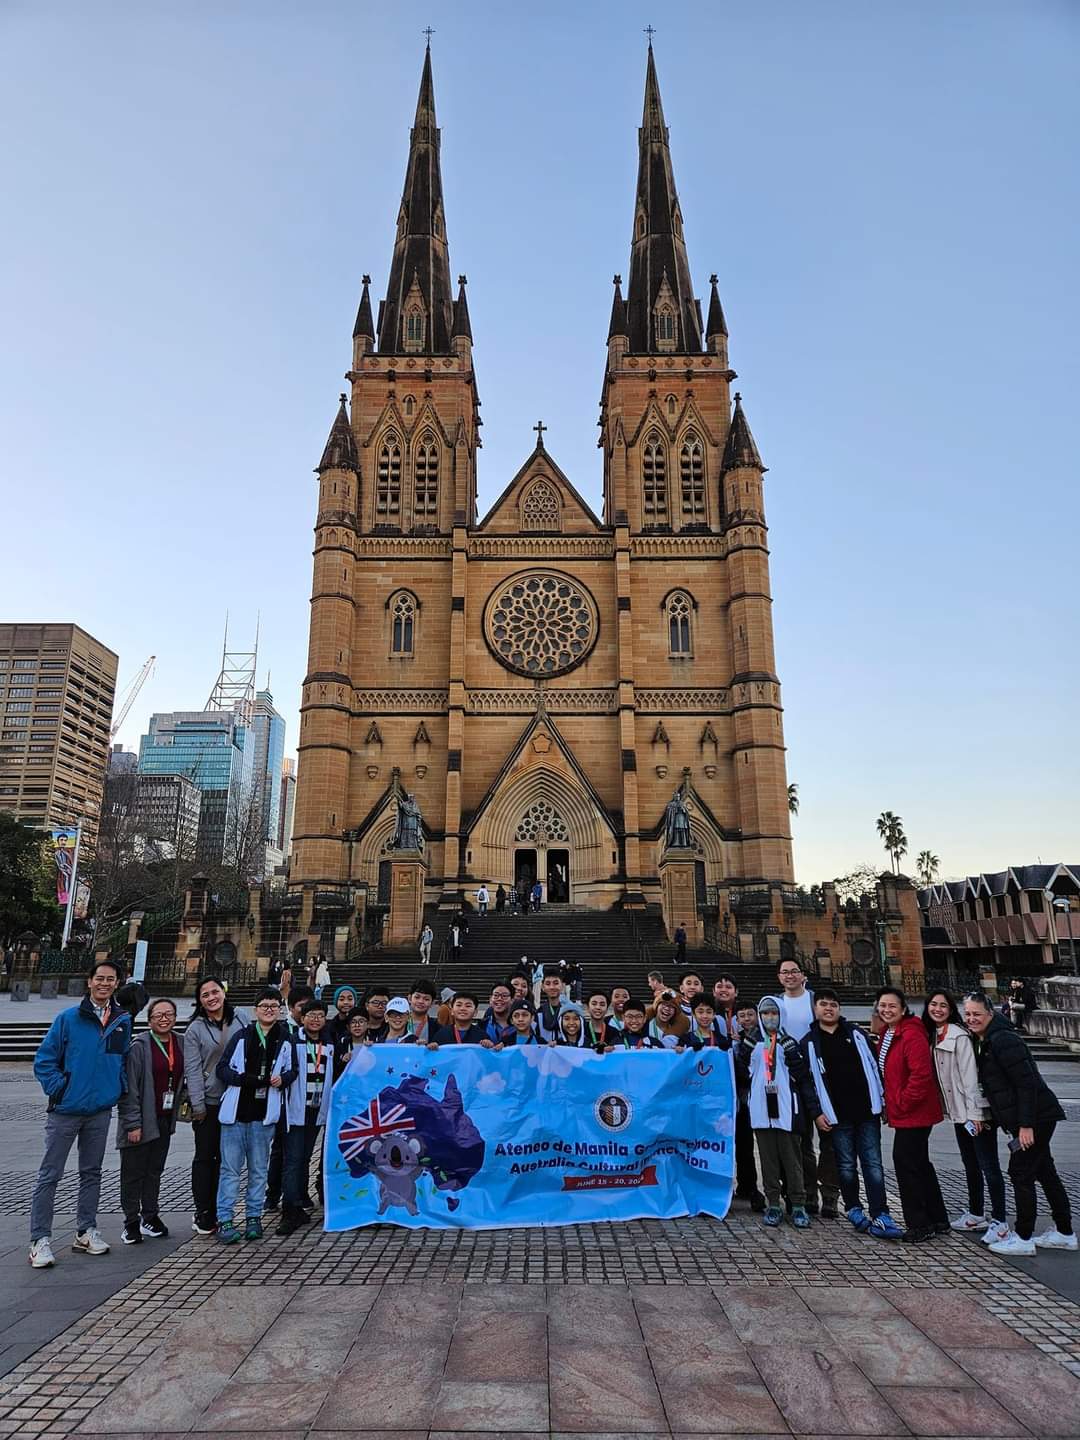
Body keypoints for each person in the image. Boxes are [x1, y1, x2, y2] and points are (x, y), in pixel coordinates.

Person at [29, 958, 132, 1268]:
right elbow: (44, 1061)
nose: (104, 983)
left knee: (92, 1173)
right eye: (99, 978)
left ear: (117, 984)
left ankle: (86, 1231)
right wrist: (60, 1089)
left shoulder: (122, 1021)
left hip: (100, 1110)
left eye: (110, 979)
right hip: (66, 1110)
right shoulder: (68, 1018)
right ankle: (39, 1239)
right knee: (50, 1174)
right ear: (90, 982)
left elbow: (122, 1059)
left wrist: (116, 1090)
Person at [963, 991, 1076, 1255]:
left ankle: (1024, 1237)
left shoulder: (1002, 1039)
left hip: (1036, 1117)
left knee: (1020, 1172)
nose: (971, 1018)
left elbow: (1026, 1083)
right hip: (1032, 1117)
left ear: (990, 1013)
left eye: (977, 1014)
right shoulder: (987, 1039)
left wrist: (1026, 1125)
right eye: (967, 1014)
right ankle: (1065, 1231)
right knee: (1045, 1171)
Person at [800, 989, 902, 1240]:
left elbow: (875, 1067)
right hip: (837, 1114)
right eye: (823, 1004)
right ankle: (854, 1208)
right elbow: (808, 1083)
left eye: (833, 1005)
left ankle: (880, 1212)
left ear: (839, 1009)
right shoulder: (809, 1042)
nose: (828, 1009)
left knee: (873, 1165)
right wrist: (816, 1113)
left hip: (866, 1110)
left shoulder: (856, 1034)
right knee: (845, 1166)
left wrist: (883, 1100)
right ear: (815, 1009)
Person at [922, 990, 1009, 1244]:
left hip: (974, 1114)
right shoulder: (936, 1034)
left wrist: (976, 1115)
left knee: (988, 1166)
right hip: (959, 1113)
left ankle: (1000, 1220)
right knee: (971, 1164)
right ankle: (975, 1213)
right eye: (933, 1005)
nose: (937, 1009)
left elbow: (970, 1079)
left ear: (950, 1010)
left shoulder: (958, 1036)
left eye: (943, 1006)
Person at [215, 990, 298, 1243]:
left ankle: (254, 1217)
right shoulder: (242, 1035)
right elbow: (222, 1069)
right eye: (264, 1006)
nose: (269, 1010)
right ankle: (225, 1219)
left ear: (280, 1010)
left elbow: (293, 1070)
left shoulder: (286, 1038)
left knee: (259, 1170)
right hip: (237, 1112)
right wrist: (242, 1080)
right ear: (255, 1010)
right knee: (230, 1169)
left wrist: (282, 1079)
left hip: (264, 1115)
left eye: (274, 1006)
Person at [871, 986, 947, 1244]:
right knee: (920, 1164)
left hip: (914, 1112)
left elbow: (921, 1075)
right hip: (906, 1111)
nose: (886, 1010)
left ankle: (919, 1223)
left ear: (903, 1009)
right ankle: (938, 1218)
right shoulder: (888, 1032)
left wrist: (902, 1103)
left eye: (892, 1006)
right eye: (882, 1006)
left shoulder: (911, 1034)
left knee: (905, 1164)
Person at [737, 997, 817, 1229]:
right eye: (765, 1014)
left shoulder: (789, 1042)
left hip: (785, 1108)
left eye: (773, 1013)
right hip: (762, 1108)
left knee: (792, 1159)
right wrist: (745, 1049)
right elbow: (743, 1071)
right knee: (768, 1159)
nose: (769, 1018)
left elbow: (801, 1074)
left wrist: (791, 1051)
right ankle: (773, 1202)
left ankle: (798, 1203)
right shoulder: (752, 1042)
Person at [183, 976, 247, 1237]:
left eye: (215, 991)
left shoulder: (241, 1017)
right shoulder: (194, 1030)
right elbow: (193, 1070)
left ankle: (224, 1211)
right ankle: (204, 1211)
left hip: (237, 1098)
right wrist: (197, 1105)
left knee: (228, 1160)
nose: (212, 997)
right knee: (205, 1158)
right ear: (199, 1000)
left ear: (224, 992)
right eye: (205, 994)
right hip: (209, 1103)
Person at [775, 958, 839, 1218]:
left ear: (803, 975)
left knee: (830, 1140)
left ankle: (832, 1196)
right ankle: (807, 1193)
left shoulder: (815, 1001)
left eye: (794, 971)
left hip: (822, 1077)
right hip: (792, 1079)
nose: (790, 976)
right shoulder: (775, 1004)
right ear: (779, 977)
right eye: (785, 973)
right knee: (801, 1142)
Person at [118, 997, 185, 1245]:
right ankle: (131, 1222)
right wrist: (132, 1124)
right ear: (149, 1020)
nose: (164, 1018)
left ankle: (150, 1216)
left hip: (164, 1118)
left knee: (154, 1171)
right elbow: (129, 1089)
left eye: (169, 1014)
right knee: (133, 1173)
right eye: (158, 1015)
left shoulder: (181, 1042)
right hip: (141, 1119)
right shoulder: (139, 1046)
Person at [279, 998, 334, 1236]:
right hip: (296, 1109)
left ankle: (299, 1199)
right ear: (302, 1018)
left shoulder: (329, 1043)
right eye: (311, 1015)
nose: (315, 1020)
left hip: (317, 1108)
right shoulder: (292, 1042)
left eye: (320, 1016)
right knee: (293, 1158)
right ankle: (289, 1208)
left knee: (304, 1157)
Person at [733, 1000, 767, 1211]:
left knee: (766, 1145)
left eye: (750, 1015)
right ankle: (747, 1185)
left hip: (764, 1096)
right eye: (742, 1016)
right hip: (744, 1098)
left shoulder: (765, 1036)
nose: (746, 1019)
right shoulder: (738, 1041)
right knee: (744, 1144)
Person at [536, 967, 580, 1043]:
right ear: (543, 987)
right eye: (548, 984)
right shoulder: (538, 1013)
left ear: (562, 986)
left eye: (556, 983)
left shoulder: (572, 1012)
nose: (552, 987)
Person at [335, 1007, 369, 1078]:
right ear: (348, 1027)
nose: (357, 1025)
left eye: (361, 1021)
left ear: (368, 1024)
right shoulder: (342, 1044)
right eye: (353, 1022)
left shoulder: (374, 1043)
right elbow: (335, 1072)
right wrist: (343, 1062)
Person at [406, 979, 439, 1045]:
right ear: (409, 998)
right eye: (417, 997)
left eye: (426, 999)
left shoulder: (437, 1027)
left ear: (432, 1003)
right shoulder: (398, 1022)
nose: (421, 1001)